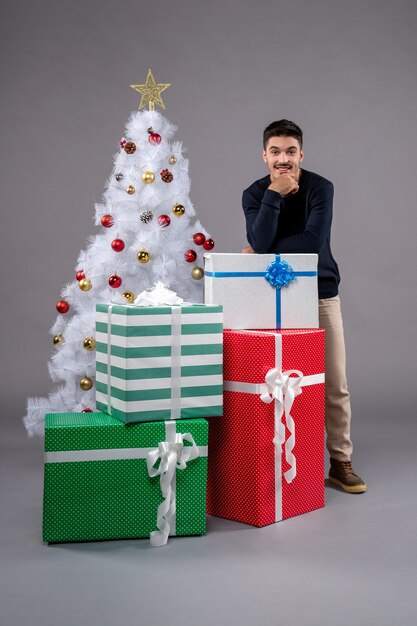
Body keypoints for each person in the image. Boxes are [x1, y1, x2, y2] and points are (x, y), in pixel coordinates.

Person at [242, 119, 367, 493]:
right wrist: (274, 195)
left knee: (335, 382)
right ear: (264, 155)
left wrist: (264, 250)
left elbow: (311, 243)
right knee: (271, 382)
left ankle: (340, 462)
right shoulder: (253, 194)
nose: (283, 159)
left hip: (319, 292)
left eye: (290, 152)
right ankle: (274, 461)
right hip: (271, 296)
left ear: (301, 154)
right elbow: (260, 240)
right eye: (276, 152)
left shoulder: (320, 188)